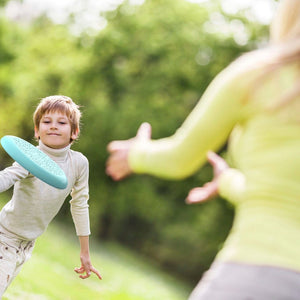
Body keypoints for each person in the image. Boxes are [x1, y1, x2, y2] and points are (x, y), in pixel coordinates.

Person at [106, 0, 300, 298]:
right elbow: (279, 195)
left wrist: (137, 153)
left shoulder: (261, 77)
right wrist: (226, 181)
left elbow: (179, 159)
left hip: (258, 273)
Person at [0, 95, 101, 296]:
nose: (53, 126)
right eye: (47, 122)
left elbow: (80, 205)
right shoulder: (30, 158)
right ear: (37, 130)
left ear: (74, 132)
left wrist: (85, 252)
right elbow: (7, 177)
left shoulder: (79, 163)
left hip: (27, 244)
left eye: (61, 122)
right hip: (5, 238)